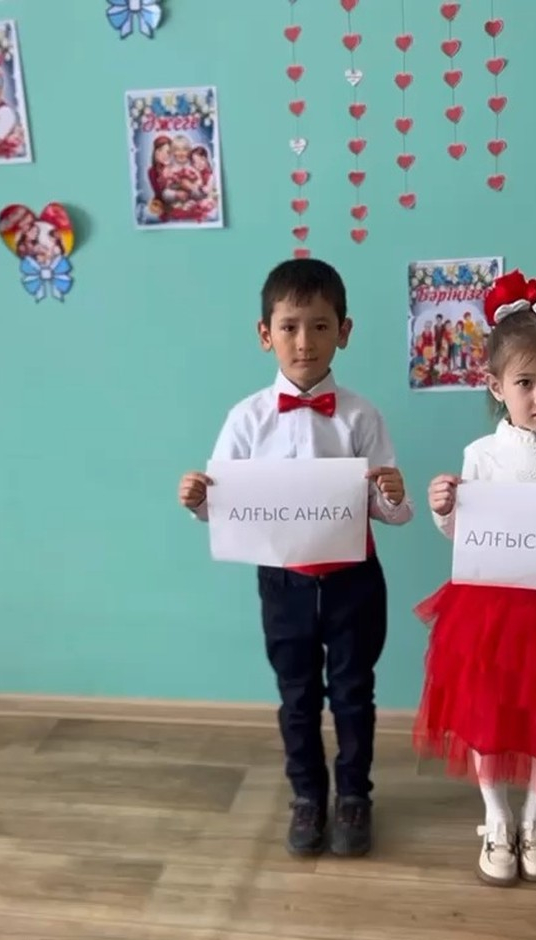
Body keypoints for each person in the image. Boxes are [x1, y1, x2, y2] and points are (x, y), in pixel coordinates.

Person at [179, 258, 413, 858]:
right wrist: (200, 499)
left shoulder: (362, 415)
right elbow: (224, 507)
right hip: (283, 583)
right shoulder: (246, 419)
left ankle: (354, 797)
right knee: (297, 694)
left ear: (344, 331)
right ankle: (308, 797)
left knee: (354, 693)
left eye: (320, 325)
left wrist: (391, 495)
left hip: (355, 580)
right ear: (266, 334)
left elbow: (391, 511)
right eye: (289, 327)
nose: (304, 341)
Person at [414, 268, 536, 887]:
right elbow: (465, 537)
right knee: (487, 715)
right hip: (492, 615)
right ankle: (496, 816)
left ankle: (535, 821)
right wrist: (446, 507)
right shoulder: (482, 454)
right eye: (525, 382)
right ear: (496, 386)